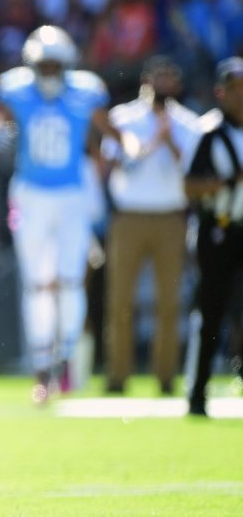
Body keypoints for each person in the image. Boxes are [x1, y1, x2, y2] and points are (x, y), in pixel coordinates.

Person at [0, 25, 121, 404]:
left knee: (71, 281)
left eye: (56, 66)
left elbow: (113, 136)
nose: (50, 73)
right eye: (44, 65)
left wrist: (119, 158)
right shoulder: (16, 89)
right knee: (39, 283)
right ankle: (42, 367)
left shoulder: (86, 91)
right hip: (30, 195)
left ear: (68, 64)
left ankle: (66, 360)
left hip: (72, 195)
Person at [100, 56, 200, 396]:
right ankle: (117, 376)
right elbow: (114, 162)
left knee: (169, 303)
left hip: (171, 218)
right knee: (120, 300)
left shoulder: (188, 123)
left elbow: (192, 172)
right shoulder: (123, 118)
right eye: (159, 77)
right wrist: (147, 143)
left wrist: (168, 139)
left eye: (170, 78)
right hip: (129, 216)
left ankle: (166, 376)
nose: (164, 84)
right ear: (146, 80)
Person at [184, 57, 243, 417]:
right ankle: (197, 391)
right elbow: (189, 186)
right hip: (219, 227)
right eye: (235, 90)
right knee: (211, 312)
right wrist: (226, 182)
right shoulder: (208, 132)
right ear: (221, 93)